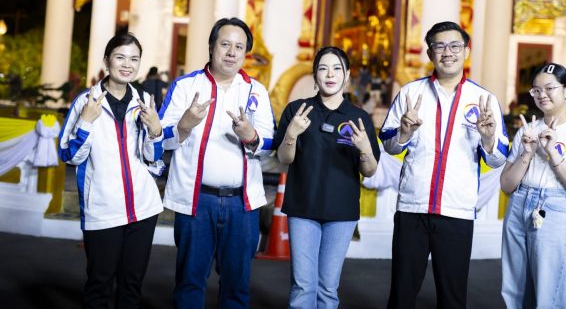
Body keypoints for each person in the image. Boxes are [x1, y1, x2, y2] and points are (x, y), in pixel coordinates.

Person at [379, 21, 509, 309]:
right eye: (439, 46)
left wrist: (488, 138)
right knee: (401, 294)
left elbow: (498, 157)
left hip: (456, 211)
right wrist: (404, 133)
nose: (447, 52)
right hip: (412, 209)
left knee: (452, 298)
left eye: (454, 46)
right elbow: (388, 144)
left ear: (466, 51)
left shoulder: (483, 99)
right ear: (430, 53)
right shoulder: (411, 93)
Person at [159, 17, 275, 308]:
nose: (232, 52)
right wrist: (184, 125)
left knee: (237, 286)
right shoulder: (186, 86)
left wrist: (251, 136)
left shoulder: (256, 91)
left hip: (242, 204)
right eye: (225, 44)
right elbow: (158, 139)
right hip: (197, 200)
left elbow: (268, 145)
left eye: (239, 47)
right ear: (211, 47)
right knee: (189, 282)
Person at [58, 33, 164, 308]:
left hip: (143, 208)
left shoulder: (144, 100)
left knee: (132, 286)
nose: (127, 64)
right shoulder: (86, 101)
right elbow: (69, 155)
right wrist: (86, 122)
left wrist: (156, 130)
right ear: (107, 61)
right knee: (99, 285)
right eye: (120, 57)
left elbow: (152, 158)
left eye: (134, 59)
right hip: (103, 209)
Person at [274, 46, 380, 309]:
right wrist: (292, 133)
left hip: (341, 214)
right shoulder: (298, 110)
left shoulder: (359, 118)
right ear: (315, 75)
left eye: (336, 69)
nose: (330, 74)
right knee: (302, 286)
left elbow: (369, 170)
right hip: (303, 209)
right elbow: (284, 159)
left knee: (328, 288)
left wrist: (365, 149)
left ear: (347, 75)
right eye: (323, 68)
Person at [500, 63, 566, 308]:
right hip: (519, 203)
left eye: (549, 88)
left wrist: (554, 154)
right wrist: (527, 153)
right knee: (514, 288)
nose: (542, 95)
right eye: (536, 90)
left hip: (556, 207)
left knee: (548, 292)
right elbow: (506, 185)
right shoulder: (528, 130)